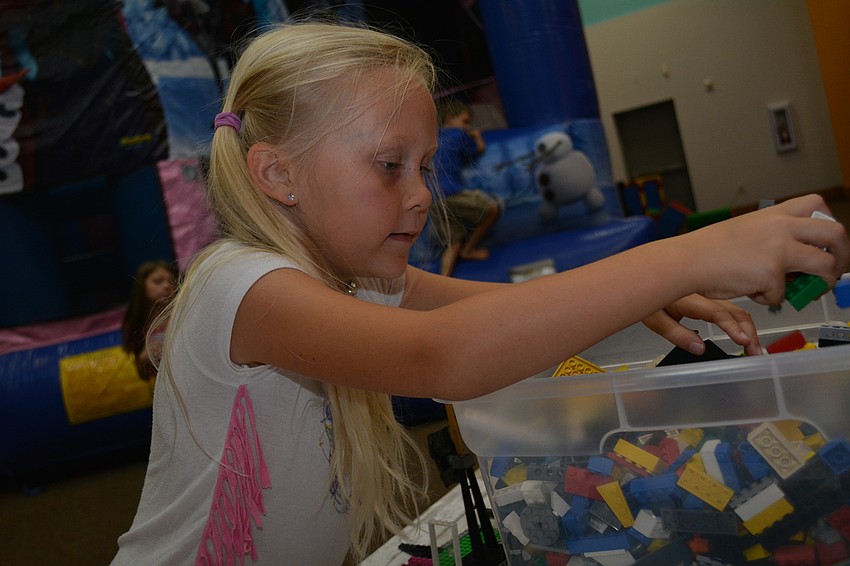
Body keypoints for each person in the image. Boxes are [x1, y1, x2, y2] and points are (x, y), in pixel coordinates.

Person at [112, 21, 849, 565]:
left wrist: (630, 300)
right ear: (278, 175)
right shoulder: (242, 285)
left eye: (426, 167)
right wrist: (685, 257)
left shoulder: (355, 282)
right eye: (390, 165)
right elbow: (446, 355)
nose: (419, 196)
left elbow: (489, 312)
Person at [432, 99, 502, 275]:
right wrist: (477, 135)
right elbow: (478, 149)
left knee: (452, 242)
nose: (467, 127)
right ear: (449, 119)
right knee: (492, 208)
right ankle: (468, 249)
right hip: (451, 193)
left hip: (432, 198)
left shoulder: (434, 137)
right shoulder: (457, 134)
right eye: (464, 122)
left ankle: (444, 279)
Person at [120, 260, 178, 380]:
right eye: (158, 281)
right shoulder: (138, 322)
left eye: (171, 281)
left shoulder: (182, 314)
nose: (167, 285)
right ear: (142, 286)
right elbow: (143, 375)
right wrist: (145, 356)